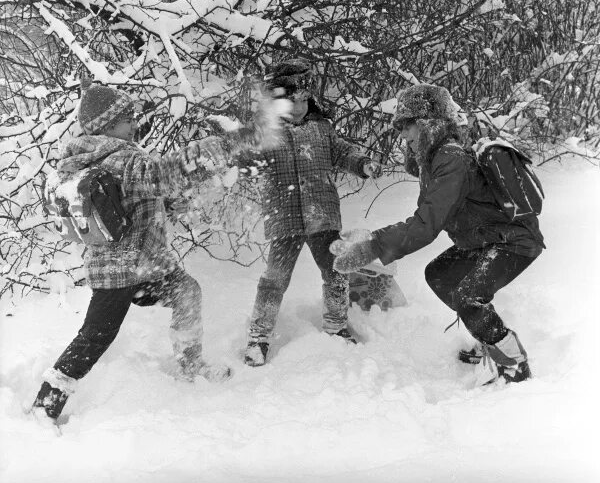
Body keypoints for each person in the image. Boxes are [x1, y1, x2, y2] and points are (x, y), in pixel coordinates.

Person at [32, 83, 278, 421]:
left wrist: (171, 205)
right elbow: (173, 170)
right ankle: (45, 405)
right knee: (95, 338)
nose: (133, 124)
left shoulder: (76, 163)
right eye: (126, 118)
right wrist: (233, 143)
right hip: (125, 269)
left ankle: (191, 367)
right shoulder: (126, 158)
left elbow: (137, 200)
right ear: (108, 124)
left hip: (138, 266)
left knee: (186, 291)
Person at [329, 84, 544, 384]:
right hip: (485, 240)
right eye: (400, 127)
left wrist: (374, 245)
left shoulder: (451, 159)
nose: (403, 135)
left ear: (428, 123)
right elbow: (425, 217)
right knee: (440, 273)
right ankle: (486, 336)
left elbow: (425, 226)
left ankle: (514, 364)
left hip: (513, 241)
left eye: (407, 125)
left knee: (469, 296)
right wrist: (373, 239)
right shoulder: (436, 161)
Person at [242, 59, 379, 367]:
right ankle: (258, 338)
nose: (297, 107)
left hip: (322, 216)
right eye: (289, 101)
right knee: (274, 278)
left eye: (302, 100)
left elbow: (343, 151)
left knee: (335, 270)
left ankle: (336, 325)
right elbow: (247, 160)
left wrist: (362, 163)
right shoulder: (266, 133)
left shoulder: (322, 129)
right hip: (285, 216)